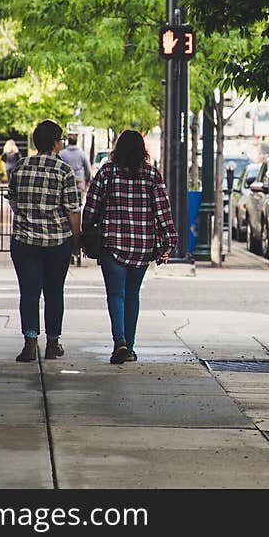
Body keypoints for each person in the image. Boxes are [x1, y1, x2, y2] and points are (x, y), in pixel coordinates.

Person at [83, 130, 178, 364]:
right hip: (143, 246)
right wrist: (170, 240)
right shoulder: (152, 175)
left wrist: (86, 231)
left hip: (112, 243)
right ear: (142, 150)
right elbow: (163, 212)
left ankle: (120, 342)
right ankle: (130, 346)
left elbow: (92, 206)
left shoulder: (107, 171)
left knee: (116, 294)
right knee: (132, 295)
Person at [6, 119, 81, 363]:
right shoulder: (64, 171)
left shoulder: (20, 167)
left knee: (28, 292)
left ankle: (29, 342)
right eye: (60, 139)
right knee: (54, 292)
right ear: (55, 143)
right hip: (57, 243)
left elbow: (13, 201)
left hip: (24, 241)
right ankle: (52, 343)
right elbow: (72, 210)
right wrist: (77, 240)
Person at [58, 134, 92, 204]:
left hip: (66, 184)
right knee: (79, 204)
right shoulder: (82, 154)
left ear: (68, 142)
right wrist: (87, 180)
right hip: (80, 183)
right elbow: (87, 169)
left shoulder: (62, 154)